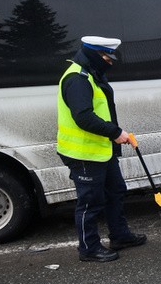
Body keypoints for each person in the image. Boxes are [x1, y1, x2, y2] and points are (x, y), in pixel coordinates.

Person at [57, 36, 146, 262]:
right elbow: (83, 117)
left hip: (101, 150)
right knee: (90, 202)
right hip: (83, 154)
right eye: (107, 58)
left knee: (116, 192)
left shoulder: (93, 75)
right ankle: (88, 249)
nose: (110, 62)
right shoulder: (77, 79)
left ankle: (120, 236)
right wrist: (116, 133)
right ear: (94, 55)